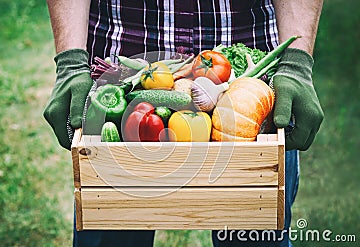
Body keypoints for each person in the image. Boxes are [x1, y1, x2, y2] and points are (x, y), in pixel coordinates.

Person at [43, 1, 324, 246]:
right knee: (109, 233)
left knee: (257, 233)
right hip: (120, 75)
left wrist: (296, 65)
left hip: (251, 90)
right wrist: (70, 63)